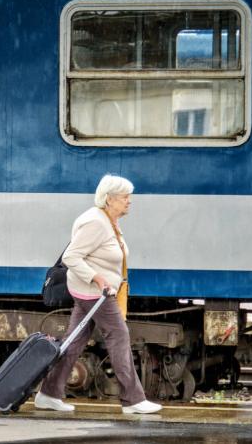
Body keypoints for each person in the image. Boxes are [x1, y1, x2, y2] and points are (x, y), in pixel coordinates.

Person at [34, 174, 162, 414]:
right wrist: (98, 278)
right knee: (119, 336)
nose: (129, 201)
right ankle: (133, 400)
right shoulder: (96, 222)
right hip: (95, 294)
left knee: (74, 341)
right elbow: (71, 256)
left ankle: (48, 394)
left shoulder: (108, 221)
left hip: (90, 293)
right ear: (110, 199)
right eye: (125, 197)